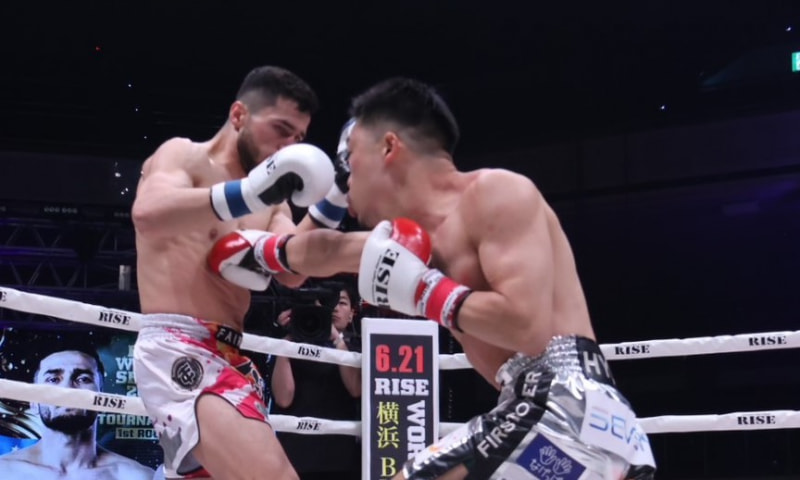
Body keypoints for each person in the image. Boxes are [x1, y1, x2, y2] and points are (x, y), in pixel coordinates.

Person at [347, 78, 657, 479]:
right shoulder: (404, 246)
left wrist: (422, 290)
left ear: (389, 147)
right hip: (590, 430)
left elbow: (526, 327)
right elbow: (317, 252)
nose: (347, 172)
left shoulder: (494, 192)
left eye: (351, 156)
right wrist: (283, 231)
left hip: (558, 405)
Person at [131, 65, 364, 480]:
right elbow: (148, 214)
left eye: (298, 138)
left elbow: (292, 269)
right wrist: (248, 193)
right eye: (281, 129)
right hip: (179, 346)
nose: (288, 147)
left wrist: (338, 191)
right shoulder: (184, 155)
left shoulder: (273, 202)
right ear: (239, 115)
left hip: (230, 352)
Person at [0, 348, 154, 479]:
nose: (67, 389)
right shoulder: (4, 472)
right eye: (53, 379)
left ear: (103, 399)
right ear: (33, 402)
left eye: (83, 379)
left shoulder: (135, 476)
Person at [271, 284, 361, 480]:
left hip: (341, 457)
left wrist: (337, 340)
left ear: (352, 314)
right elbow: (284, 398)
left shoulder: (357, 348)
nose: (334, 309)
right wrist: (287, 342)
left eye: (342, 303)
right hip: (296, 454)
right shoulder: (289, 345)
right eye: (328, 304)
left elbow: (355, 389)